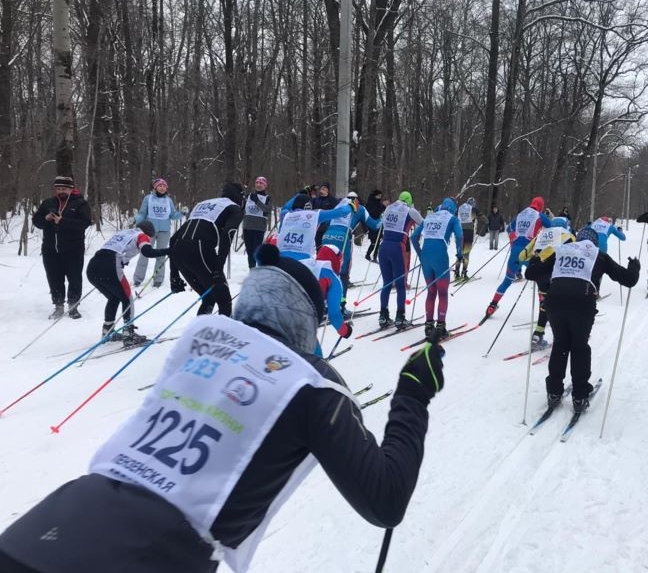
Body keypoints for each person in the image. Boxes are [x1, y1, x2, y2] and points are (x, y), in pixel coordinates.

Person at [0, 243, 446, 573]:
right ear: (305, 321)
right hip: (151, 554)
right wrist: (412, 394)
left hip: (51, 521)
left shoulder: (203, 340)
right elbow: (385, 500)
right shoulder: (310, 383)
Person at [525, 227, 640, 412]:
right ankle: (579, 395)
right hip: (582, 303)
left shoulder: (561, 251)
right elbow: (629, 280)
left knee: (560, 345)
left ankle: (554, 391)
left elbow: (531, 274)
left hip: (555, 302)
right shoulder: (598, 255)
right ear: (594, 243)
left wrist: (534, 261)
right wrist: (635, 266)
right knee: (579, 347)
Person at [86, 221, 171, 347]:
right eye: (150, 238)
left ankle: (107, 331)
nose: (148, 240)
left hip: (93, 266)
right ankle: (129, 334)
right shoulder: (141, 235)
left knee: (114, 297)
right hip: (110, 265)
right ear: (148, 233)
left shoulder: (125, 232)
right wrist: (169, 250)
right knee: (127, 298)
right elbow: (147, 252)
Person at [169, 182, 245, 317]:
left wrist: (174, 275)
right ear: (239, 196)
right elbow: (227, 234)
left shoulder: (203, 204)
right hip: (199, 248)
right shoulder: (234, 208)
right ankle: (221, 337)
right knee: (224, 299)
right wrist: (218, 268)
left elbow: (173, 239)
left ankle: (199, 334)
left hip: (178, 250)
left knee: (209, 297)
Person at [32, 175, 92, 319]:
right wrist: (46, 219)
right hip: (51, 249)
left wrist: (63, 221)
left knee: (74, 278)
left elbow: (85, 223)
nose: (61, 191)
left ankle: (73, 306)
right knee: (54, 278)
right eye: (58, 189)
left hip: (73, 249)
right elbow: (36, 221)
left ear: (71, 189)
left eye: (64, 188)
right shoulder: (48, 203)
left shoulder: (80, 203)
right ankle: (58, 306)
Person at [484, 196, 551, 319]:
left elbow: (509, 228)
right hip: (528, 252)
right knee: (541, 278)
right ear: (541, 206)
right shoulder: (539, 215)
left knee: (507, 280)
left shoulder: (521, 214)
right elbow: (553, 226)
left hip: (515, 251)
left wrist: (513, 239)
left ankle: (492, 305)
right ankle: (544, 305)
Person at [518, 217, 574, 351]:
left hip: (538, 275)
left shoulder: (541, 235)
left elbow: (521, 256)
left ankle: (537, 335)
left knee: (544, 305)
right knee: (561, 305)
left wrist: (536, 259)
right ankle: (562, 337)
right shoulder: (567, 235)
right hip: (556, 275)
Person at [411, 198, 463, 339]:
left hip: (426, 256)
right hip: (440, 257)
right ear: (453, 209)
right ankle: (440, 326)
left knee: (431, 292)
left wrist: (421, 254)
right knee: (442, 293)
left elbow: (414, 237)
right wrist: (459, 254)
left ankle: (428, 325)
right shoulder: (453, 219)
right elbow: (459, 235)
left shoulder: (429, 217)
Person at [320, 191, 381, 310]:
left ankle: (325, 302)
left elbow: (326, 222)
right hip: (342, 238)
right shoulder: (360, 208)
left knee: (328, 270)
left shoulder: (338, 206)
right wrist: (382, 218)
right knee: (343, 273)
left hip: (327, 236)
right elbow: (375, 225)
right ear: (356, 200)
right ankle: (341, 305)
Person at [378, 191, 423, 329]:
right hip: (398, 248)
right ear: (409, 200)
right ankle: (400, 317)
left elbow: (380, 224)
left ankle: (383, 316)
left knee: (386, 283)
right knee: (400, 283)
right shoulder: (410, 210)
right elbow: (424, 224)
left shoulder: (389, 208)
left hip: (383, 247)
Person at [132, 178, 183, 287]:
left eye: (164, 186)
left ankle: (158, 279)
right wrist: (135, 219)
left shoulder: (169, 200)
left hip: (164, 231)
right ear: (155, 187)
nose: (162, 188)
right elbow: (142, 214)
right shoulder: (148, 198)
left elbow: (173, 215)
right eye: (160, 186)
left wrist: (182, 213)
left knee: (161, 255)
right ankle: (138, 278)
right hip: (149, 231)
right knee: (144, 254)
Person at [242, 176, 272, 269]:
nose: (258, 185)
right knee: (249, 252)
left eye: (261, 183)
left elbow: (267, 210)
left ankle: (259, 270)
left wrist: (257, 201)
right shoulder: (248, 196)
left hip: (259, 228)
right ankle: (252, 270)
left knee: (256, 251)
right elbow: (242, 210)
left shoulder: (267, 198)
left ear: (265, 186)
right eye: (257, 183)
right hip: (247, 226)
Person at [454, 198, 479, 279]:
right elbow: (475, 220)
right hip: (468, 234)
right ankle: (464, 273)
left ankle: (457, 273)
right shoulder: (472, 210)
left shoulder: (460, 209)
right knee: (466, 254)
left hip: (460, 234)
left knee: (459, 254)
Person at [364, 189, 385, 262]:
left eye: (380, 196)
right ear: (374, 196)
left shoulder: (379, 203)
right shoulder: (370, 203)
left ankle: (375, 256)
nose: (379, 197)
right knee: (374, 241)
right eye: (378, 196)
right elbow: (373, 212)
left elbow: (380, 210)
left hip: (379, 224)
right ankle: (368, 254)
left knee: (378, 241)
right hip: (372, 224)